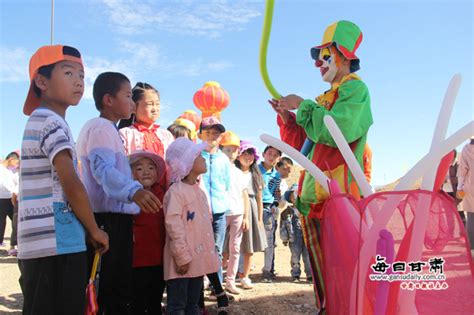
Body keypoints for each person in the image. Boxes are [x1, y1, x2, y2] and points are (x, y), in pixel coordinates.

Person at [269, 20, 373, 311]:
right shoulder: (324, 99)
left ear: (343, 56)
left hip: (339, 201)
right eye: (319, 58)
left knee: (346, 276)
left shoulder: (356, 91)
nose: (319, 64)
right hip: (315, 199)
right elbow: (307, 143)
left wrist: (302, 105)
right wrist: (290, 119)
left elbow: (336, 130)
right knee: (326, 278)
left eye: (326, 56)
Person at [17, 45, 109, 315]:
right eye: (68, 73)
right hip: (57, 242)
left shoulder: (41, 121)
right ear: (41, 81)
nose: (79, 81)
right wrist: (94, 229)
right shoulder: (51, 122)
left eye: (81, 75)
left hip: (40, 244)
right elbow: (70, 183)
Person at [76, 72, 161, 314]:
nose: (133, 103)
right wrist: (133, 191)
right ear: (108, 100)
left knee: (118, 285)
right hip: (107, 220)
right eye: (127, 96)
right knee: (111, 287)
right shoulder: (101, 128)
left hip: (115, 219)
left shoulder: (106, 129)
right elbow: (102, 169)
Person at [163, 137, 224, 314]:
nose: (204, 158)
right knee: (177, 306)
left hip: (197, 263)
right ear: (187, 163)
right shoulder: (176, 192)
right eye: (198, 155)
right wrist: (182, 257)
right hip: (182, 264)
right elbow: (174, 226)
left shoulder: (199, 192)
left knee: (193, 305)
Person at [129, 151, 167, 314]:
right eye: (139, 168)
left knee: (155, 298)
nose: (146, 171)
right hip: (136, 259)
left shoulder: (162, 193)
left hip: (159, 258)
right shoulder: (129, 196)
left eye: (151, 167)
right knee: (137, 299)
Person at [199, 116, 231, 282]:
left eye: (216, 133)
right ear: (200, 135)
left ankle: (216, 286)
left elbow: (226, 185)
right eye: (208, 132)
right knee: (198, 248)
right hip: (198, 211)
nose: (212, 136)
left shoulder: (224, 159)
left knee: (216, 249)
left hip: (219, 212)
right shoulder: (195, 155)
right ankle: (197, 286)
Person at [220, 131, 250, 295]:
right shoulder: (216, 169)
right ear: (220, 150)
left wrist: (246, 216)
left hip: (237, 213)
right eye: (227, 150)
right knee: (216, 248)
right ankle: (212, 280)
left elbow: (244, 195)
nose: (231, 153)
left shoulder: (240, 173)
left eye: (234, 150)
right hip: (220, 213)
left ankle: (230, 281)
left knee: (235, 248)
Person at [235, 140, 267, 289]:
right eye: (245, 153)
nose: (248, 157)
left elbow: (259, 198)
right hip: (234, 207)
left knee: (249, 246)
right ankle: (227, 274)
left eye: (251, 154)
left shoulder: (255, 174)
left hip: (252, 209)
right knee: (229, 245)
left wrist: (259, 219)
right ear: (238, 155)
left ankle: (245, 276)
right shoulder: (232, 172)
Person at [259, 145, 282, 282]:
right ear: (263, 154)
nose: (272, 157)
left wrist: (276, 203)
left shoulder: (277, 174)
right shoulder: (254, 169)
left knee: (269, 242)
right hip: (254, 206)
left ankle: (267, 270)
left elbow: (276, 192)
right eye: (269, 153)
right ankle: (241, 270)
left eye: (275, 155)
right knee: (246, 238)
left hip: (269, 209)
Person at [280, 185, 312, 283]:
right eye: (293, 196)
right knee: (295, 256)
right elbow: (283, 226)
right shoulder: (286, 213)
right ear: (290, 198)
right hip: (294, 238)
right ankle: (295, 274)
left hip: (306, 237)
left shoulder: (307, 211)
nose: (295, 198)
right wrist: (284, 238)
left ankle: (310, 275)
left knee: (307, 256)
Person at [0, 151, 19, 252]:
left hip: (10, 198)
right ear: (11, 159)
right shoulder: (1, 169)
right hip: (1, 199)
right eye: (16, 162)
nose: (16, 165)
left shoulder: (10, 171)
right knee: (1, 223)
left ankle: (14, 244)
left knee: (15, 222)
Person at [457, 137, 474, 252]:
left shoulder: (466, 149)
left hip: (471, 186)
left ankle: (472, 249)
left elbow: (463, 170)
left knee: (471, 216)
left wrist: (459, 187)